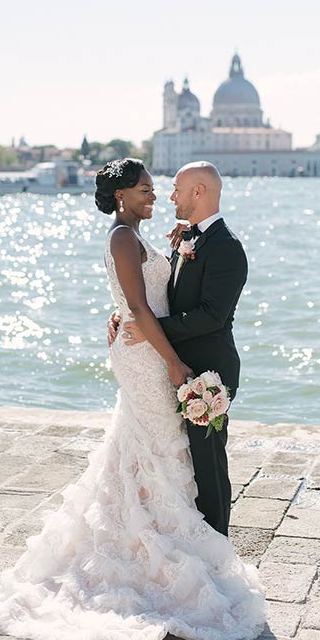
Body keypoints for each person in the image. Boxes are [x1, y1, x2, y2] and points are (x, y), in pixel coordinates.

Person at [0, 157, 266, 640]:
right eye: (148, 190)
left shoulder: (166, 239)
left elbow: (157, 303)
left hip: (157, 351)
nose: (157, 196)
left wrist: (142, 325)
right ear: (121, 196)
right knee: (153, 446)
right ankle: (154, 548)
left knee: (163, 450)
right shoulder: (122, 237)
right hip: (152, 358)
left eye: (162, 189)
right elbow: (136, 305)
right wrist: (170, 360)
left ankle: (183, 543)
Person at [109, 160, 247, 537]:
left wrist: (149, 329)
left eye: (176, 189)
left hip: (208, 369)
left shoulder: (227, 247)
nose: (168, 196)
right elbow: (156, 295)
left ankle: (217, 542)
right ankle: (182, 535)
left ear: (198, 192)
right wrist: (124, 314)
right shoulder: (189, 238)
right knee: (182, 458)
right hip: (171, 364)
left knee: (208, 463)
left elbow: (210, 317)